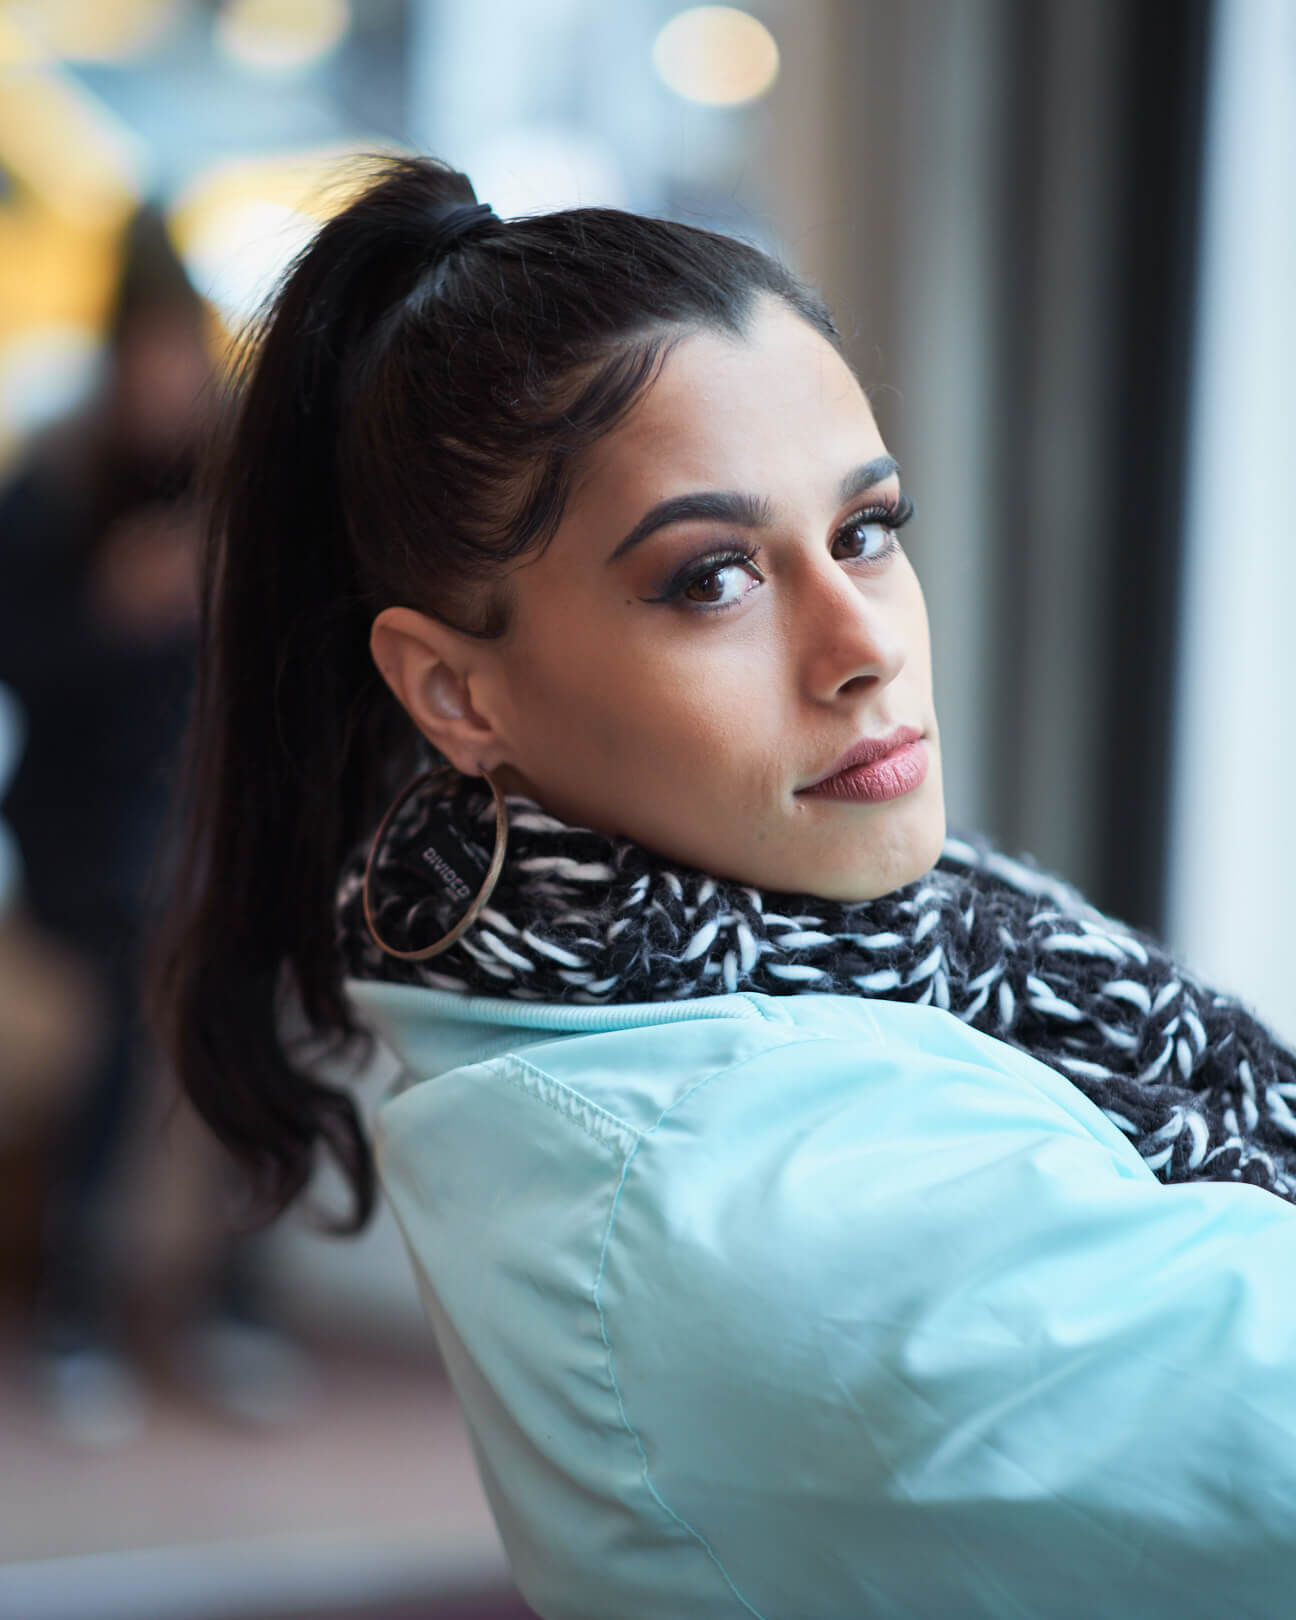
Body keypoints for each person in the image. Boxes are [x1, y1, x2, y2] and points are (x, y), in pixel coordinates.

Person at [151, 156, 1296, 1619]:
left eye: (866, 531)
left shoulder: (843, 953)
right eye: (712, 578)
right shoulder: (770, 1187)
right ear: (455, 691)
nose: (859, 642)